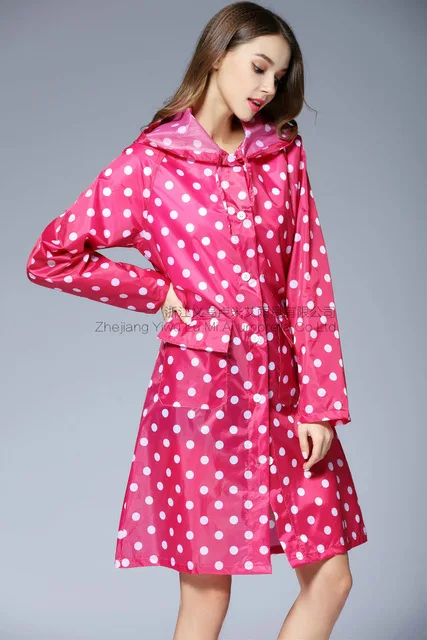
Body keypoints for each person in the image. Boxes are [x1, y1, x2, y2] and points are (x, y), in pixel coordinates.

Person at [25, 2, 368, 639]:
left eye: (278, 77)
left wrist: (321, 403)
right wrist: (155, 290)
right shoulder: (150, 163)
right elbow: (52, 257)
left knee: (333, 578)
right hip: (200, 395)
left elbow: (309, 281)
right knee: (207, 597)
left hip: (287, 390)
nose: (267, 88)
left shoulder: (282, 156)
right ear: (216, 56)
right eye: (258, 67)